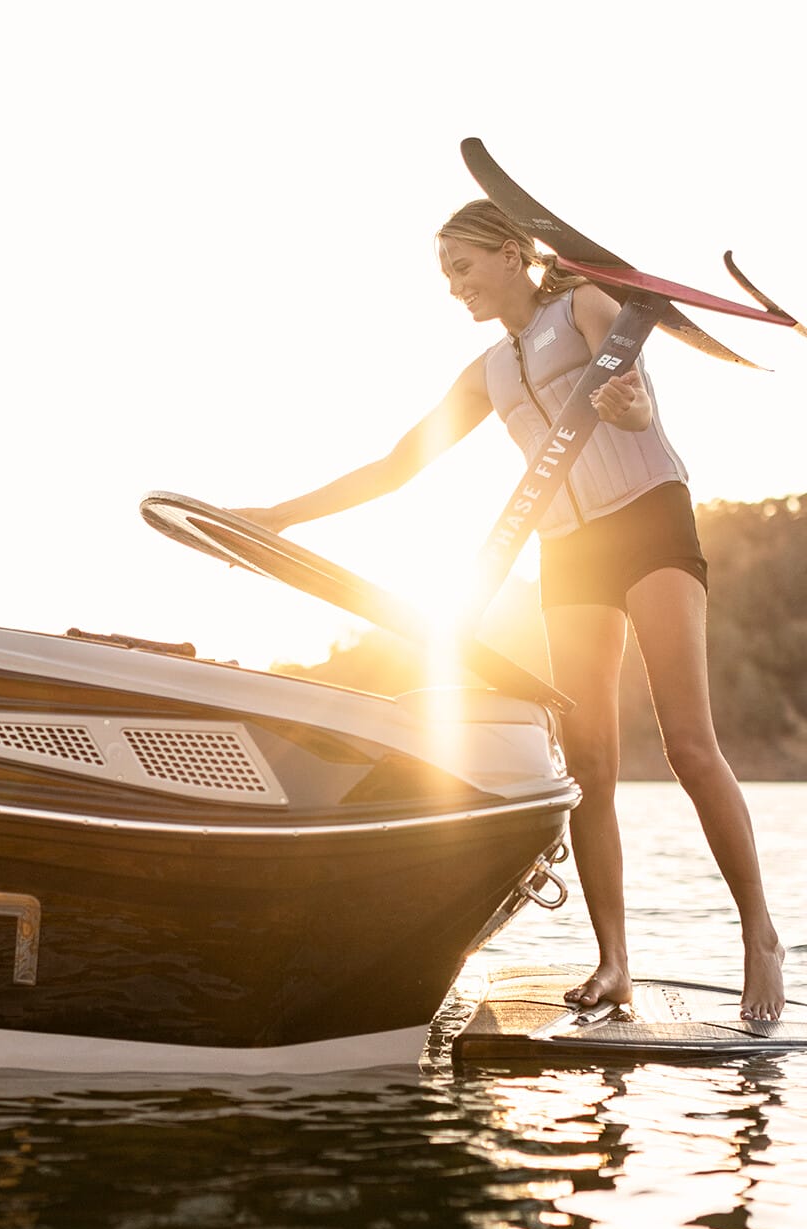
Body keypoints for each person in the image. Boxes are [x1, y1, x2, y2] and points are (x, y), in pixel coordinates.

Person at [233, 198, 785, 1022]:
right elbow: (396, 466)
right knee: (590, 766)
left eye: (462, 267)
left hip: (649, 518)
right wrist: (278, 516)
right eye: (446, 274)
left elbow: (639, 402)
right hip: (569, 549)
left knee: (688, 745)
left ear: (509, 254)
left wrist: (630, 406)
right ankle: (616, 965)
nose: (454, 287)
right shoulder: (486, 372)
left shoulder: (588, 306)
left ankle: (761, 937)